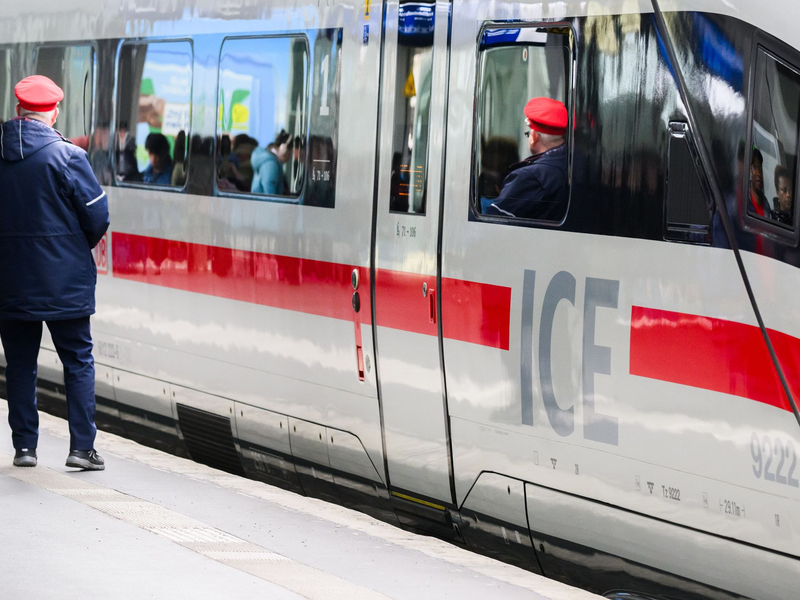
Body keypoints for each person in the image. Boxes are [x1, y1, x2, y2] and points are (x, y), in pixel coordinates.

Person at [0, 75, 109, 470]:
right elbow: (98, 216)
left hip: (10, 280)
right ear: (54, 112)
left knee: (20, 364)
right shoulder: (68, 157)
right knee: (77, 360)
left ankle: (25, 447)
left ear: (18, 112)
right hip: (65, 282)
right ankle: (82, 448)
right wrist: (72, 247)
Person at [484, 97, 569, 220]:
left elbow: (492, 222)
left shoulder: (529, 177)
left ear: (534, 136)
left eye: (528, 133)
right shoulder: (573, 165)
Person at [251, 130, 291, 195]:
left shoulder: (271, 161)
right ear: (284, 150)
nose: (290, 156)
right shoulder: (271, 164)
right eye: (290, 152)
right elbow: (270, 193)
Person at [748, 147, 769, 218]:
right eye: (755, 167)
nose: (758, 173)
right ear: (750, 170)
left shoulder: (767, 207)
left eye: (760, 168)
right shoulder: (741, 203)